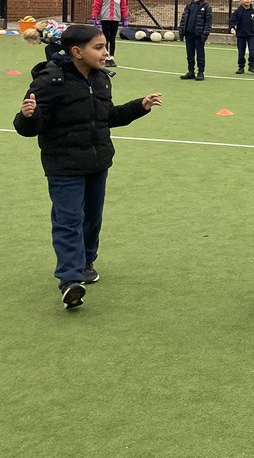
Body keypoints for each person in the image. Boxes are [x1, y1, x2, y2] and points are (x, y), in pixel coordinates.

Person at [13, 24, 163, 309]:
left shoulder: (102, 79)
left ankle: (85, 262)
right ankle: (70, 280)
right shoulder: (49, 81)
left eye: (105, 46)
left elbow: (107, 117)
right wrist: (27, 117)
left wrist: (139, 106)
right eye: (99, 47)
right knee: (68, 220)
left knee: (92, 219)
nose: (105, 53)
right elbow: (29, 127)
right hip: (63, 166)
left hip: (97, 163)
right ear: (77, 52)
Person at [90, 0, 129, 68]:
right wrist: (95, 17)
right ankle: (106, 58)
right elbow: (96, 6)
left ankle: (112, 57)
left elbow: (124, 7)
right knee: (106, 38)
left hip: (115, 19)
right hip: (105, 18)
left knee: (113, 38)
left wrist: (125, 18)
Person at [179, 0, 213, 80]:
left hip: (199, 35)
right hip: (189, 34)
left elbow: (208, 22)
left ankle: (200, 72)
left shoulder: (206, 7)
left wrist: (205, 34)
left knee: (200, 55)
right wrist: (181, 31)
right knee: (190, 54)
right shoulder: (189, 6)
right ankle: (191, 72)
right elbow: (183, 19)